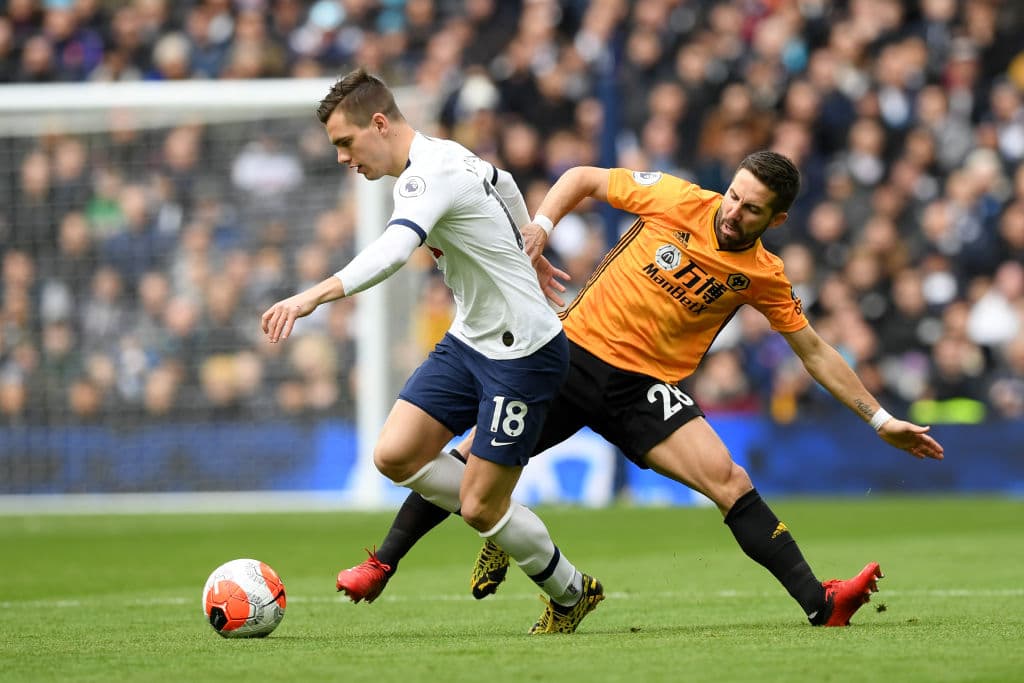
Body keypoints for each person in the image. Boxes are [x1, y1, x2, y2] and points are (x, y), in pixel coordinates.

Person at [334, 152, 945, 628]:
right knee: (472, 464)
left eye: (752, 209)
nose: (733, 212)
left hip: (644, 389)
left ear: (776, 220)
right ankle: (384, 561)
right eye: (734, 196)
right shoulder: (679, 199)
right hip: (569, 358)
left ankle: (821, 604)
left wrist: (879, 418)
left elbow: (813, 350)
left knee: (729, 481)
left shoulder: (763, 274)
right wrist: (541, 226)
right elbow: (582, 178)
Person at [260, 68, 604, 635]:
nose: (343, 158)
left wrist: (311, 296)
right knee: (393, 454)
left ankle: (571, 591)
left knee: (480, 507)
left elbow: (396, 251)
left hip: (524, 354)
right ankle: (503, 518)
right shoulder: (448, 154)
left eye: (345, 142)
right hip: (470, 339)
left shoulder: (427, 175)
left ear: (379, 123)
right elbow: (504, 180)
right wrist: (530, 246)